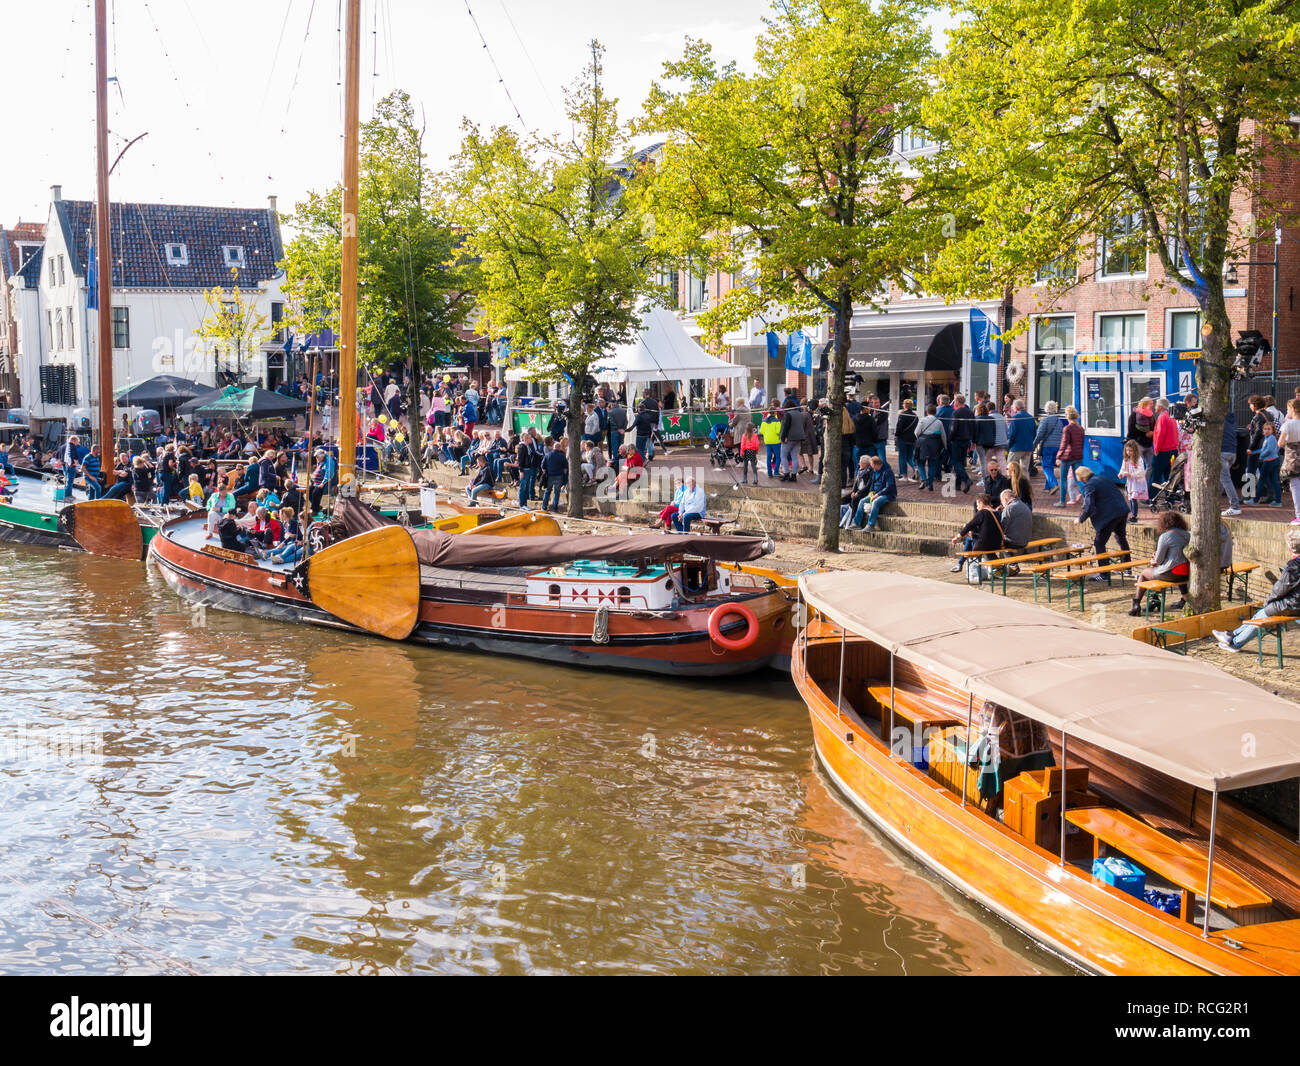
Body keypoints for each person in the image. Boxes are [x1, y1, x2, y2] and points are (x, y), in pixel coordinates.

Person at [1214, 528, 1300, 651]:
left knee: (1264, 614)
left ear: (1290, 548)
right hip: (1294, 603)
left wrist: (1268, 601)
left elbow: (1280, 589)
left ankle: (1235, 643)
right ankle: (1231, 635)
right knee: (1263, 612)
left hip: (1294, 606)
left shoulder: (1293, 567)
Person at [1128, 511, 1190, 615]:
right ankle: (1155, 600)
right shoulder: (1187, 535)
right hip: (1186, 573)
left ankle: (1136, 605)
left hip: (1170, 573)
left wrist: (1153, 560)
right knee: (1156, 572)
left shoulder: (1165, 536)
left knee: (1144, 573)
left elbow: (1158, 561)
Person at [1074, 465, 1130, 558]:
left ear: (1082, 478)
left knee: (1099, 543)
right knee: (1121, 538)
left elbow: (1089, 506)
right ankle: (1128, 568)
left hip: (1109, 515)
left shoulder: (1089, 485)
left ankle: (1104, 571)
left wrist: (1080, 519)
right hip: (1122, 510)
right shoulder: (1103, 478)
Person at [950, 493, 1004, 571]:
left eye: (977, 504)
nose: (977, 507)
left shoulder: (982, 512)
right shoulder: (997, 513)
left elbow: (969, 526)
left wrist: (957, 537)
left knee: (969, 539)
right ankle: (997, 569)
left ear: (981, 503)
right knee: (972, 537)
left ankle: (960, 563)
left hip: (984, 545)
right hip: (997, 544)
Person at [848, 454, 896, 531]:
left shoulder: (887, 472)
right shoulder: (874, 471)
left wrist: (877, 495)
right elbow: (872, 484)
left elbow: (889, 487)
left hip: (887, 494)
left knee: (875, 502)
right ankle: (856, 523)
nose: (871, 466)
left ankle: (871, 525)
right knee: (862, 501)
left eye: (872, 465)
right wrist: (871, 493)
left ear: (876, 464)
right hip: (875, 493)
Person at [1053, 406, 1084, 507]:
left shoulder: (1067, 428)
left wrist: (1058, 456)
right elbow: (1081, 444)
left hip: (1067, 458)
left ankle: (1062, 501)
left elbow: (1064, 444)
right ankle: (1087, 499)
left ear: (1067, 416)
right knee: (1079, 479)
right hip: (1078, 457)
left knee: (1063, 479)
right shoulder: (1081, 429)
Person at [1032, 401, 1063, 491]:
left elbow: (1040, 434)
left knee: (1046, 466)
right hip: (1057, 447)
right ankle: (1047, 487)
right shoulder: (1059, 421)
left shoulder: (1044, 420)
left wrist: (1034, 445)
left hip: (1047, 446)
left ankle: (1054, 484)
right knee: (1051, 467)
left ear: (1046, 409)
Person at [914, 404, 946, 491]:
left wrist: (920, 439)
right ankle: (930, 483)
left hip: (923, 444)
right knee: (932, 464)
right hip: (934, 444)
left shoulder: (922, 420)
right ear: (935, 412)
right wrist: (945, 446)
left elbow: (916, 432)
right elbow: (943, 435)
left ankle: (924, 479)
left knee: (920, 463)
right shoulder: (939, 422)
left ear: (926, 412)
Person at [1278, 398, 1300, 524]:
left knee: (1295, 486)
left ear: (1292, 409)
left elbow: (1280, 443)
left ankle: (1299, 515)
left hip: (1292, 460)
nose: (1287, 411)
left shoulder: (1288, 424)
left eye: (1287, 409)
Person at [1150, 397, 1179, 488]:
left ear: (1160, 407)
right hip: (1173, 451)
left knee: (1156, 475)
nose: (1155, 408)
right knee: (1169, 476)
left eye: (1156, 405)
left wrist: (1156, 449)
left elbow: (1160, 435)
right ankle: (1170, 499)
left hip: (1163, 451)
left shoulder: (1162, 417)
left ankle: (1151, 498)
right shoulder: (1171, 417)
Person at [948, 394, 974, 492]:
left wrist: (950, 438)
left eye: (954, 401)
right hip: (966, 440)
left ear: (958, 402)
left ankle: (966, 480)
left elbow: (953, 428)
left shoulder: (956, 413)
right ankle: (958, 485)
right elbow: (973, 427)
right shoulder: (970, 413)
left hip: (957, 440)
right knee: (961, 462)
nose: (954, 402)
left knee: (956, 462)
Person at [1118, 439, 1148, 523]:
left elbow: (1141, 471)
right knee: (1130, 498)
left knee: (1134, 498)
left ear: (1135, 451)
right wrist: (1121, 474)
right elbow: (1123, 468)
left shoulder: (1138, 459)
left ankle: (1134, 516)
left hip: (1137, 481)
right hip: (1130, 482)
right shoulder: (1126, 460)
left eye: (1131, 451)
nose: (1129, 452)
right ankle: (1132, 515)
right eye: (1127, 450)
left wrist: (1131, 474)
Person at [840, 456, 872, 528]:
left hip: (864, 492)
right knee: (844, 499)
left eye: (860, 462)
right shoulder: (860, 470)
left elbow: (868, 485)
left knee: (854, 500)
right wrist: (853, 491)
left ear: (865, 464)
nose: (858, 464)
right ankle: (841, 517)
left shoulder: (870, 472)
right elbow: (855, 483)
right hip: (857, 491)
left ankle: (852, 519)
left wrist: (858, 493)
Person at [1221, 407, 1242, 516]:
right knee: (1222, 479)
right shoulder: (1231, 417)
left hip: (1223, 451)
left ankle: (1235, 506)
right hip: (1232, 451)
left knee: (1225, 479)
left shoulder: (1218, 419)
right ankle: (1215, 503)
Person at [778, 398, 805, 481]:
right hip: (798, 437)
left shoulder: (788, 414)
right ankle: (793, 475)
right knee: (794, 456)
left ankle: (786, 473)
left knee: (783, 455)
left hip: (789, 438)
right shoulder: (800, 414)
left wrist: (782, 438)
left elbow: (786, 427)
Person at [999, 488, 1032, 554]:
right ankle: (1011, 562)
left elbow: (1002, 529)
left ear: (1005, 500)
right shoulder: (1024, 505)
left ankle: (1011, 562)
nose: (1002, 505)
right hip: (1025, 541)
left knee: (994, 542)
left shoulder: (1009, 508)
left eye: (1002, 502)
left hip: (1014, 542)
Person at [1006, 399, 1036, 471]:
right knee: (1024, 470)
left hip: (1016, 447)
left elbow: (1012, 434)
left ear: (1016, 408)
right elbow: (1034, 433)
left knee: (1010, 468)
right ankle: (1025, 482)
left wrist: (1009, 445)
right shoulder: (1031, 417)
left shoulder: (1015, 417)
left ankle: (1012, 482)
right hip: (1028, 447)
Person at [894, 399, 917, 482]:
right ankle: (916, 468)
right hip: (912, 439)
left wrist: (896, 435)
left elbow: (899, 427)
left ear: (905, 405)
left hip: (903, 439)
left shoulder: (902, 415)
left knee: (902, 457)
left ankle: (904, 475)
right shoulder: (915, 416)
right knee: (909, 457)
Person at [541, 439, 568, 512]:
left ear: (553, 447)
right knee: (557, 492)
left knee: (547, 491)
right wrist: (564, 477)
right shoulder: (562, 456)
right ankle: (554, 508)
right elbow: (565, 469)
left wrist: (546, 473)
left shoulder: (547, 455)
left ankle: (544, 507)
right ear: (559, 448)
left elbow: (543, 467)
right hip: (559, 476)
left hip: (550, 476)